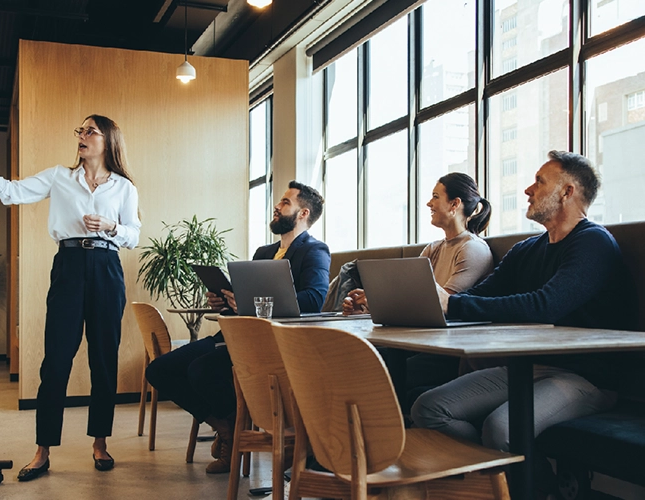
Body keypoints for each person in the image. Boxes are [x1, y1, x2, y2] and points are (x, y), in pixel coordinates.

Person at [411, 151, 635, 459]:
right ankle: (495, 482)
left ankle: (517, 484)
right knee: (429, 408)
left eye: (539, 182)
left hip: (586, 377)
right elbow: (481, 296)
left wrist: (452, 305)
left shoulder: (594, 242)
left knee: (501, 429)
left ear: (567, 192)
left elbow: (546, 305)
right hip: (526, 367)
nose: (528, 190)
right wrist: (435, 302)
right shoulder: (527, 249)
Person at [0, 115, 141, 481]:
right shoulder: (60, 176)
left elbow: (134, 235)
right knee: (55, 360)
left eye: (91, 131)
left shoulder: (123, 187)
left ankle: (100, 443)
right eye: (80, 130)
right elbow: (9, 192)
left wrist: (111, 227)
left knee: (104, 359)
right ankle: (42, 452)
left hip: (107, 267)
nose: (82, 136)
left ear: (108, 141)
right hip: (70, 266)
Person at [145, 181, 330, 474]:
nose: (277, 206)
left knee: (201, 370)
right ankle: (228, 428)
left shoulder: (314, 251)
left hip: (271, 345)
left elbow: (315, 298)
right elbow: (247, 304)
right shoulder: (263, 252)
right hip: (235, 335)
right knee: (158, 370)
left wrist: (252, 300)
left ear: (303, 213)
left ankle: (233, 431)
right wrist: (227, 302)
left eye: (285, 202)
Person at [342, 173, 494, 399]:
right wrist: (366, 308)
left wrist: (378, 301)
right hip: (418, 345)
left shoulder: (473, 249)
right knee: (347, 357)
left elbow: (443, 307)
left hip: (446, 353)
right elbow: (412, 304)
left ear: (455, 204)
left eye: (435, 197)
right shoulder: (432, 249)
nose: (429, 203)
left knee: (366, 368)